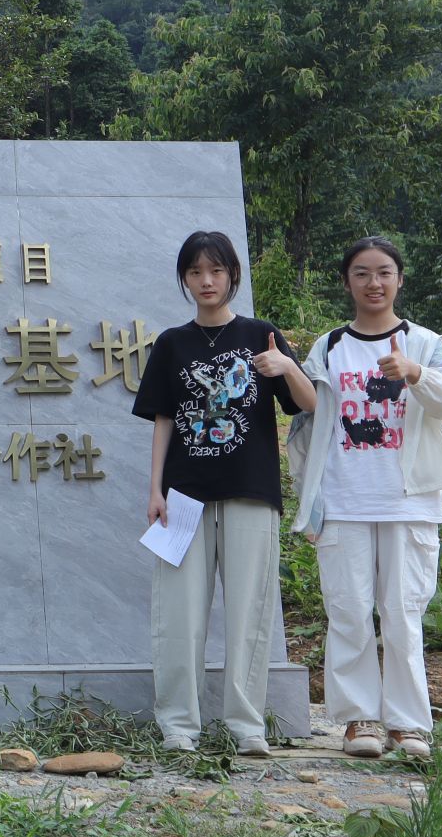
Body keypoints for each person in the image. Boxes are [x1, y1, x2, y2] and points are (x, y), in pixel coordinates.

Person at [132, 230, 314, 756]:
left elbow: (310, 405)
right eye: (195, 272)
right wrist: (155, 489)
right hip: (183, 497)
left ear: (233, 274)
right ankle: (178, 726)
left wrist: (287, 367)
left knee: (250, 614)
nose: (206, 281)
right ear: (184, 279)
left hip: (250, 491)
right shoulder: (172, 343)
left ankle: (246, 726)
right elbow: (164, 420)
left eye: (215, 270)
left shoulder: (262, 335)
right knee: (178, 615)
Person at [288, 236, 442, 761]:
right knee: (347, 610)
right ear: (347, 282)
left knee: (403, 614)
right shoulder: (329, 346)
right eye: (362, 273)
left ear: (399, 279)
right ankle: (359, 719)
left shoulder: (425, 343)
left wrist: (415, 374)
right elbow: (309, 413)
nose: (374, 283)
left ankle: (409, 724)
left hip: (409, 501)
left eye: (384, 272)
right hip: (342, 500)